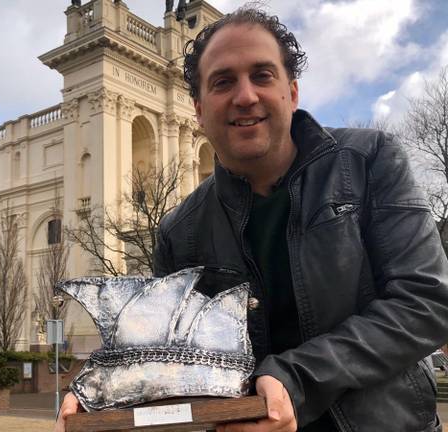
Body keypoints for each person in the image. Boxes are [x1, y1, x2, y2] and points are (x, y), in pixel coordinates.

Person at [55, 6, 448, 432]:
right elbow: (170, 359)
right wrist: (104, 396)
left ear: (292, 92)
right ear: (199, 109)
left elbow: (428, 301)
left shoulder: (370, 162)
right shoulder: (179, 232)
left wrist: (296, 380)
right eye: (223, 82)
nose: (245, 96)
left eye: (262, 75)